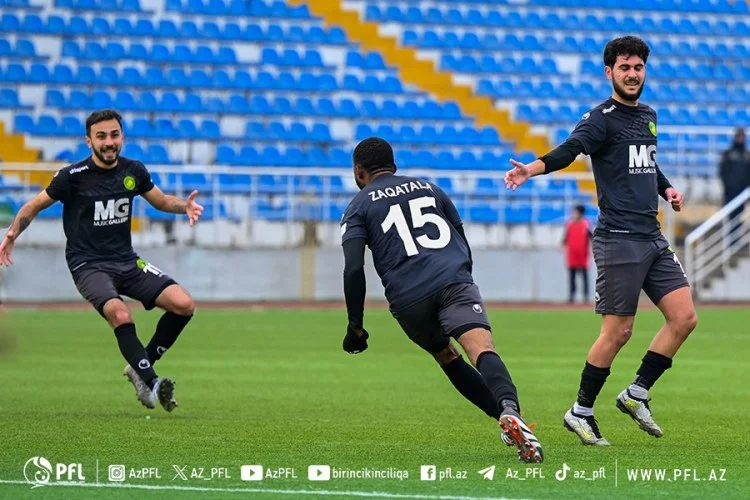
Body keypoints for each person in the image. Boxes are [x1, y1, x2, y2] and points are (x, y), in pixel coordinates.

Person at [504, 36, 698, 445]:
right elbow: (571, 150)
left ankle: (636, 392)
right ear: (609, 72)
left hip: (652, 236)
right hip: (619, 239)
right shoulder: (600, 118)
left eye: (638, 67)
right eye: (624, 68)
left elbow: (646, 163)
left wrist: (668, 191)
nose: (632, 74)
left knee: (684, 318)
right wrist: (532, 169)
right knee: (619, 332)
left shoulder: (647, 114)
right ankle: (581, 411)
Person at [340, 137, 543, 463]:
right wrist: (463, 278)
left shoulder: (358, 205)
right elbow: (460, 237)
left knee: (446, 355)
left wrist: (356, 327)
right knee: (480, 349)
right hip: (452, 281)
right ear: (394, 166)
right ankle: (510, 409)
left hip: (408, 300)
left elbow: (353, 268)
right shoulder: (430, 188)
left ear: (358, 171)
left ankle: (504, 422)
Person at [0, 109, 204, 412]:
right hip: (88, 264)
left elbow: (160, 201)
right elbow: (34, 205)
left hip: (127, 261)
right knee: (120, 315)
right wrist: (12, 235)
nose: (109, 142)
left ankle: (138, 367)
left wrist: (182, 207)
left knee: (184, 305)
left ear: (121, 136)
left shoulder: (133, 171)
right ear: (89, 141)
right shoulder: (72, 177)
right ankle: (153, 382)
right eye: (101, 136)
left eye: (114, 134)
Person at [719, 128, 750, 248]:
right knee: (729, 218)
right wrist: (727, 187)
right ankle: (730, 244)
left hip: (742, 194)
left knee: (739, 218)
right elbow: (722, 173)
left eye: (743, 137)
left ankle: (736, 244)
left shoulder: (747, 156)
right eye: (739, 136)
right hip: (729, 192)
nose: (741, 139)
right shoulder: (727, 154)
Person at [562, 205, 592, 303]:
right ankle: (571, 296)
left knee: (584, 277)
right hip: (572, 255)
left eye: (575, 212)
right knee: (572, 277)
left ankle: (586, 296)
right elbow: (565, 238)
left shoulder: (586, 224)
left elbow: (591, 237)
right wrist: (562, 246)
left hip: (583, 255)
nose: (574, 214)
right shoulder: (569, 224)